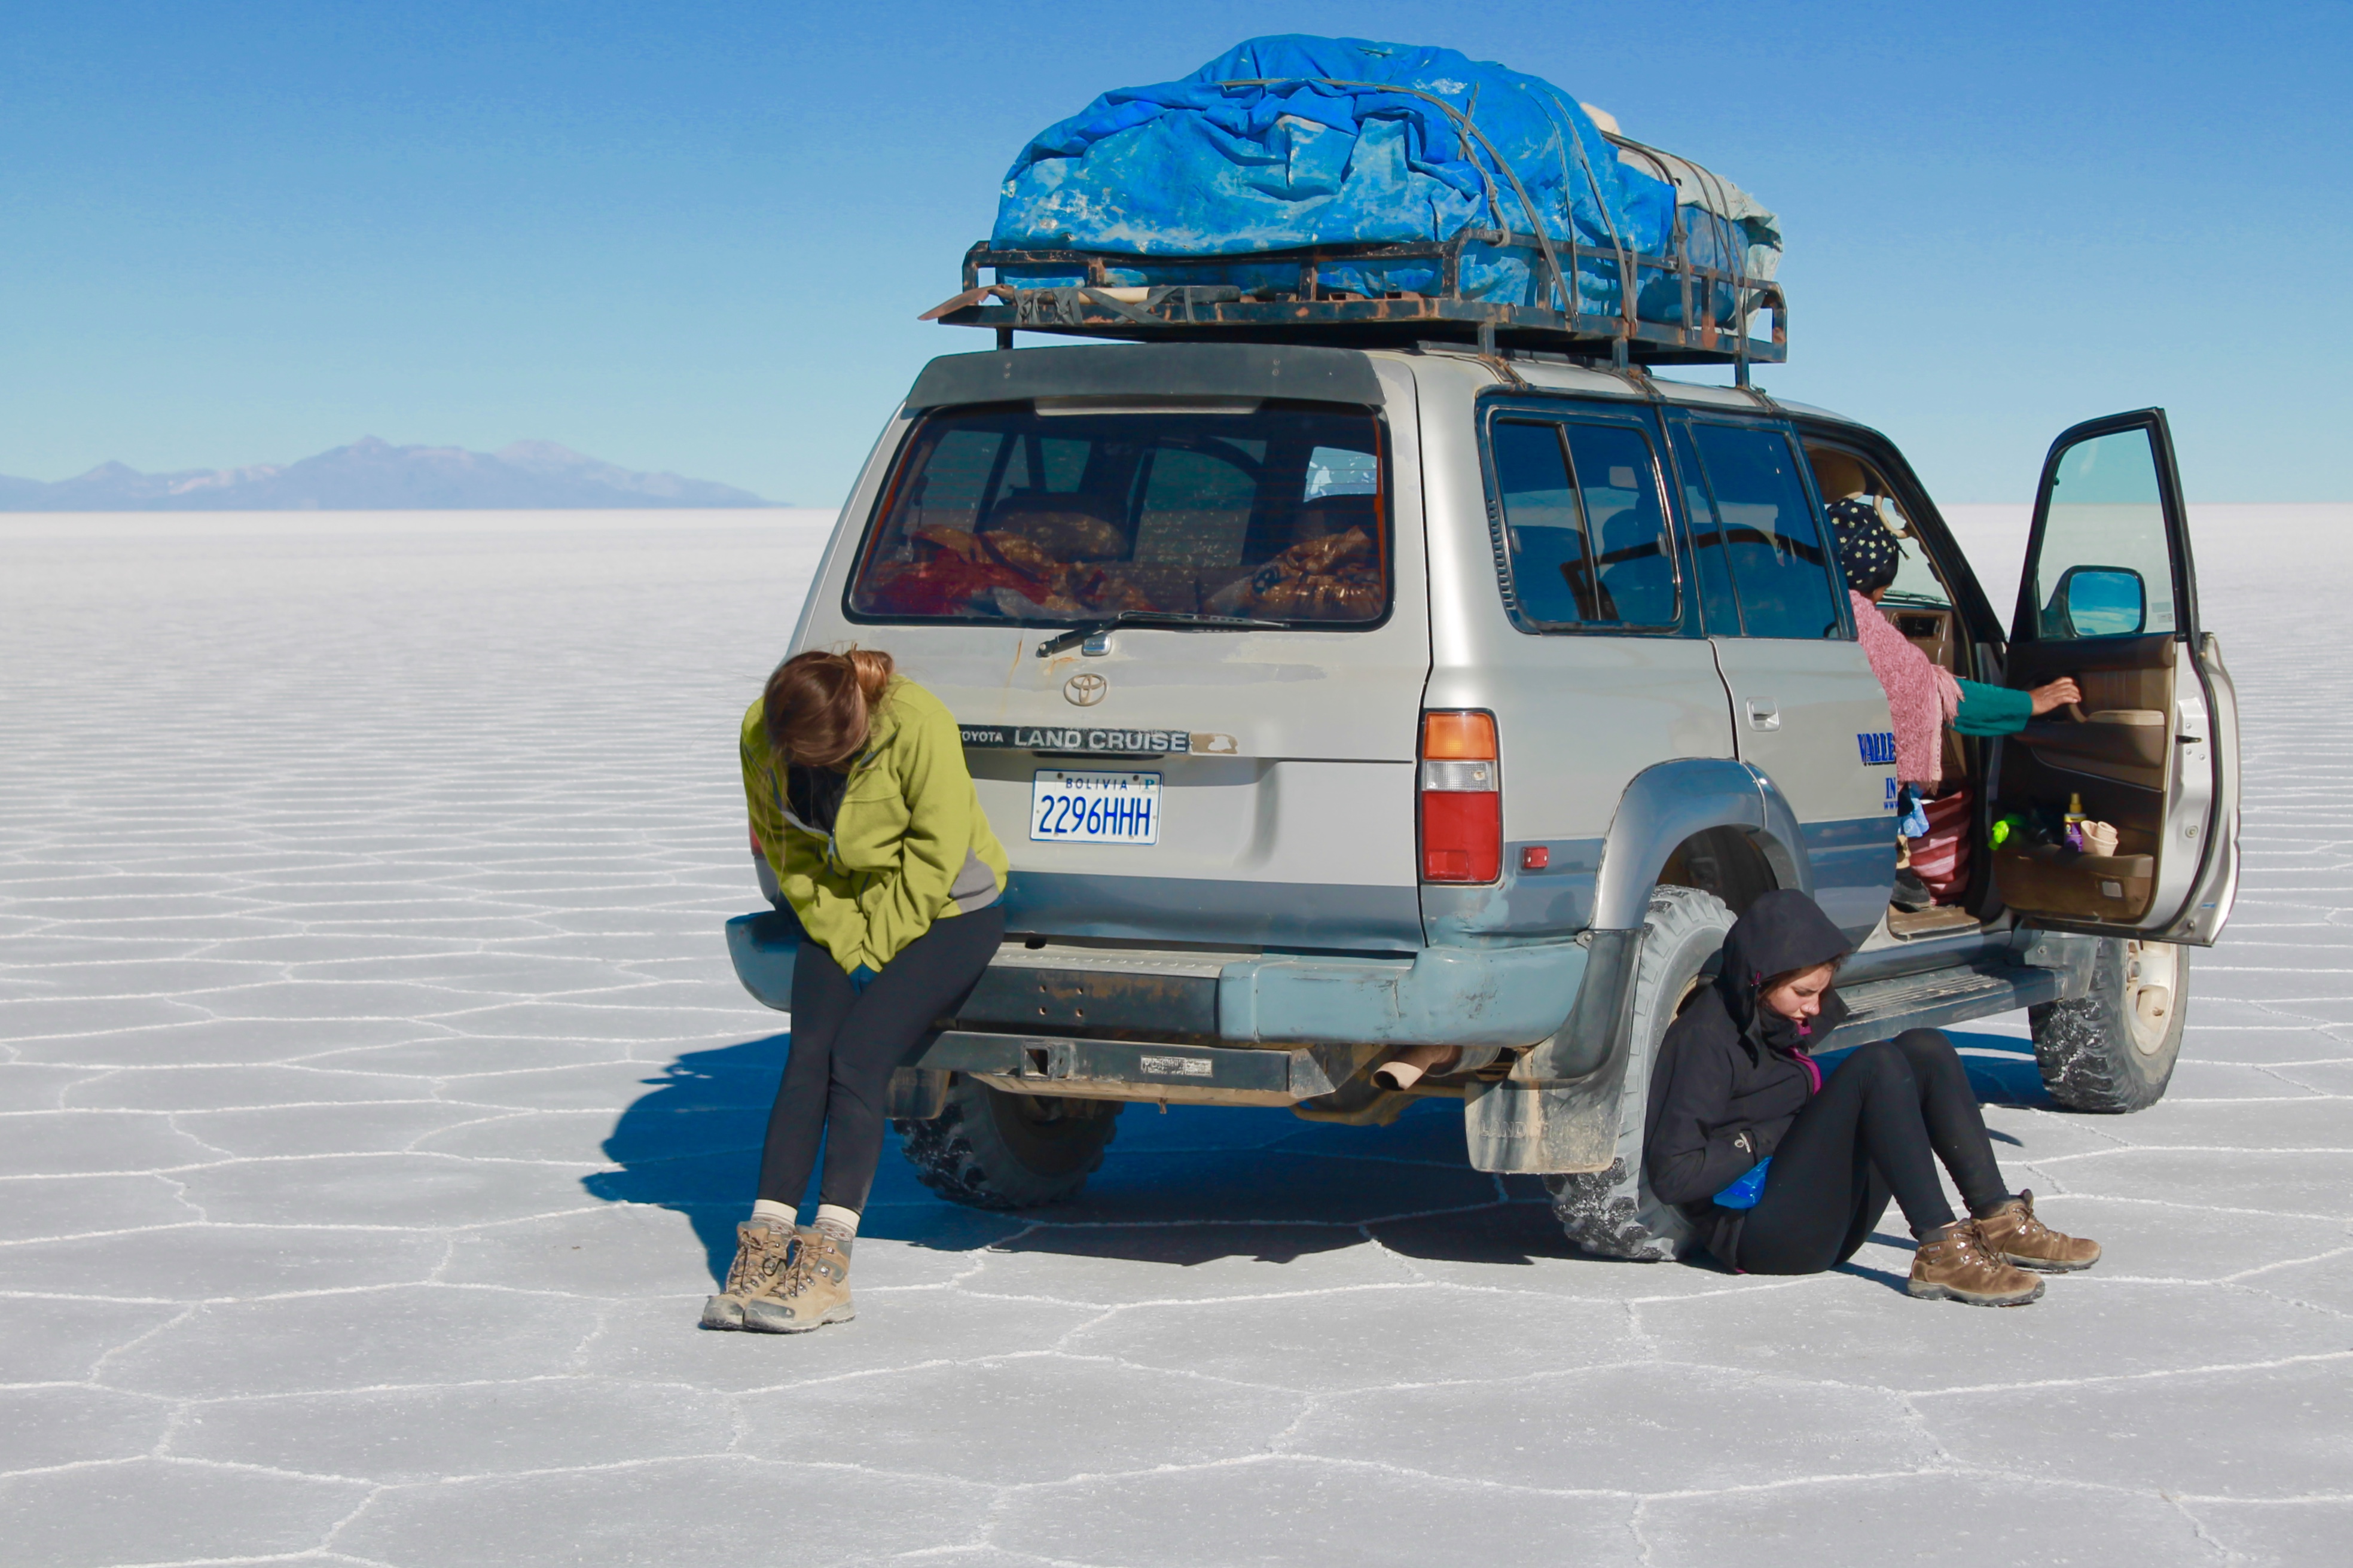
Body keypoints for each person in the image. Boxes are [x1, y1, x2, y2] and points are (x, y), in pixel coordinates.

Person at [702, 646, 1009, 1334]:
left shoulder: (917, 721)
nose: (821, 773)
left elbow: (934, 857)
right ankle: (763, 1248)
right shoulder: (762, 733)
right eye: (806, 761)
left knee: (861, 1058)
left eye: (834, 759)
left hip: (949, 912)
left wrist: (876, 953)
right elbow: (790, 854)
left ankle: (827, 1267)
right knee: (809, 1053)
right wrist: (846, 940)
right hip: (840, 908)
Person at [1644, 889, 2101, 1304]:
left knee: (1925, 1048)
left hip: (1817, 1217)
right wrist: (1769, 1137)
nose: (1815, 1008)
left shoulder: (1775, 1026)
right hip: (1762, 1237)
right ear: (1758, 981)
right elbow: (1673, 1176)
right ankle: (1940, 1247)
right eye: (1803, 993)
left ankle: (1998, 1221)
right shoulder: (1704, 1041)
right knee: (1874, 1065)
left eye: (1821, 992)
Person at [1829, 499, 2078, 905]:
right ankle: (1896, 865)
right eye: (1884, 585)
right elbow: (1936, 696)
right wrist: (2028, 704)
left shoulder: (1794, 607)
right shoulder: (1863, 629)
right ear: (1873, 579)